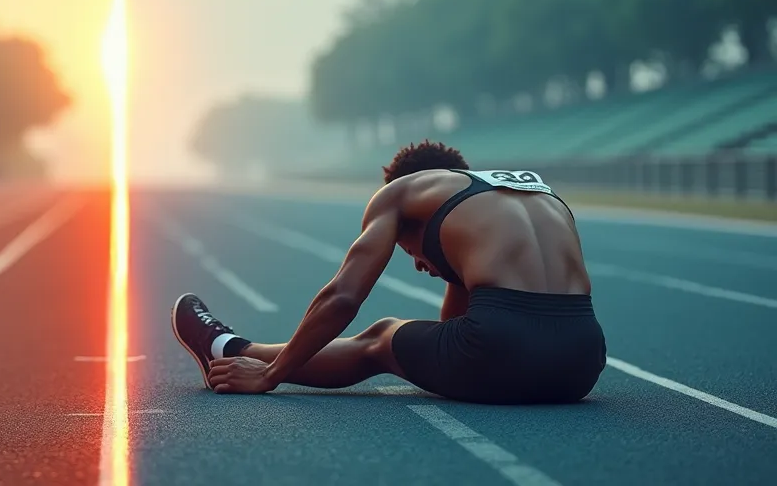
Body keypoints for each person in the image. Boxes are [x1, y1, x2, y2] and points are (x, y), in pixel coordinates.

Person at [172, 140, 607, 405]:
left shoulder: (398, 194)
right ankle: (236, 347)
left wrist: (271, 376)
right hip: (582, 365)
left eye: (407, 249)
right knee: (430, 339)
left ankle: (231, 349)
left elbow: (343, 297)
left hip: (501, 350)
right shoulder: (528, 189)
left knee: (380, 337)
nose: (418, 263)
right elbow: (450, 334)